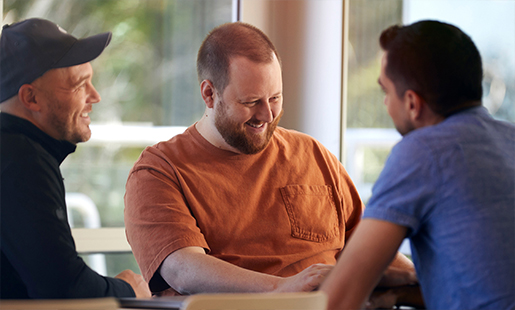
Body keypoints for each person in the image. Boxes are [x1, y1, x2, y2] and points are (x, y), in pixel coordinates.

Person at [124, 21, 416, 304]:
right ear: (209, 94)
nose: (267, 114)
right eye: (251, 102)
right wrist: (284, 289)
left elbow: (369, 249)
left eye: (275, 97)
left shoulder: (313, 154)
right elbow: (182, 269)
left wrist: (418, 278)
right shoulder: (159, 171)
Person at [320, 20, 515, 310]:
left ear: (412, 103)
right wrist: (404, 289)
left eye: (385, 91)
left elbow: (336, 300)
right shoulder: (509, 137)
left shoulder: (422, 152)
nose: (386, 103)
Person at [0, 18, 151, 299]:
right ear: (31, 98)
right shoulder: (22, 162)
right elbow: (64, 288)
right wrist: (129, 289)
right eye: (80, 85)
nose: (95, 96)